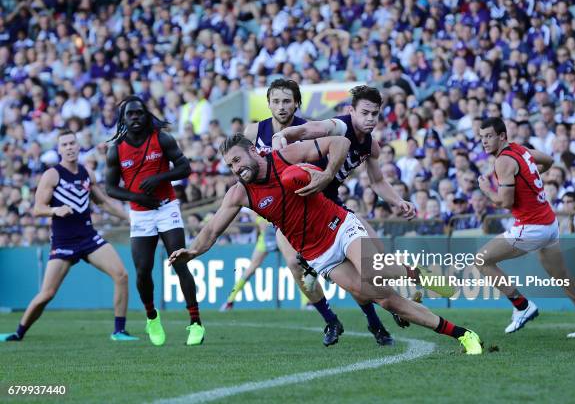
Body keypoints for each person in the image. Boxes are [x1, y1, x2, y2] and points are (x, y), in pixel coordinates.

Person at [169, 134, 483, 354]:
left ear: (253, 150)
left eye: (237, 160)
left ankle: (422, 275)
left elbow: (340, 143)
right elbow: (211, 229)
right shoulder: (240, 192)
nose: (236, 169)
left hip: (340, 226)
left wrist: (325, 176)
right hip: (319, 255)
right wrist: (193, 251)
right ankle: (464, 335)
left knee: (376, 271)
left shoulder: (285, 157)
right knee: (385, 300)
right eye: (230, 166)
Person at [273, 85, 455, 335]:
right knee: (306, 263)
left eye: (375, 114)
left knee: (377, 254)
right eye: (365, 113)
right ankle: (316, 278)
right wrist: (284, 135)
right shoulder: (340, 127)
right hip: (302, 206)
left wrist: (398, 201)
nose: (370, 119)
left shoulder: (371, 145)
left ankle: (399, 300)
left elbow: (377, 181)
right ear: (351, 111)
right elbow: (309, 128)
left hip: (330, 204)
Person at [243, 79, 382, 346]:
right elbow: (241, 163)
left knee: (357, 265)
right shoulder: (254, 132)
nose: (282, 107)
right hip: (284, 214)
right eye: (276, 101)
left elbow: (332, 156)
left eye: (287, 101)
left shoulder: (306, 130)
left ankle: (374, 320)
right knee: (295, 266)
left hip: (319, 202)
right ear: (269, 103)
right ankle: (331, 320)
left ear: (297, 103)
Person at [0, 130, 137, 342]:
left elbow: (101, 201)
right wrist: (55, 210)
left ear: (78, 146)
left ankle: (119, 331)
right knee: (47, 293)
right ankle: (18, 332)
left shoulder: (86, 173)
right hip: (64, 242)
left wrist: (128, 217)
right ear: (59, 149)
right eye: (64, 145)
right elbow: (37, 208)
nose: (69, 147)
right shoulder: (52, 174)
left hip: (89, 237)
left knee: (122, 275)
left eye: (72, 143)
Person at [476, 117, 575, 338]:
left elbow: (504, 202)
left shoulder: (503, 161)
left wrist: (486, 190)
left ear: (502, 136)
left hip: (531, 226)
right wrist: (527, 177)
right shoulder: (521, 150)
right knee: (562, 276)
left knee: (481, 260)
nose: (484, 142)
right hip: (549, 224)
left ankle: (522, 305)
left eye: (489, 136)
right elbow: (550, 161)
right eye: (482, 137)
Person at [105, 96, 204, 346]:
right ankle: (151, 317)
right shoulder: (115, 148)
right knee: (142, 271)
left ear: (146, 115)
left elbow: (185, 168)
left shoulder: (161, 138)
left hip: (166, 207)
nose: (135, 118)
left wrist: (161, 178)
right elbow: (110, 188)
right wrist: (138, 197)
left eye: (139, 113)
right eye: (131, 114)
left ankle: (195, 323)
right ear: (123, 119)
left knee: (180, 263)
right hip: (140, 213)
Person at [219, 216, 276, 311]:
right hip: (266, 234)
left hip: (283, 231)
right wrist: (259, 220)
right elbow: (253, 210)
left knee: (294, 265)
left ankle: (307, 302)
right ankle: (230, 300)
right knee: (252, 267)